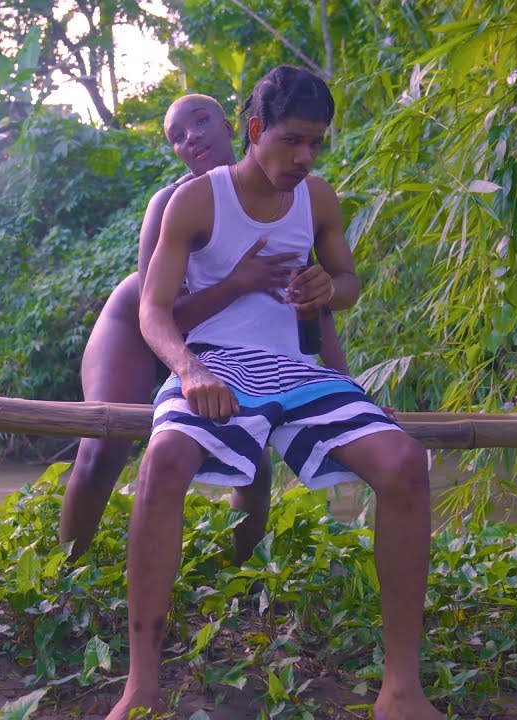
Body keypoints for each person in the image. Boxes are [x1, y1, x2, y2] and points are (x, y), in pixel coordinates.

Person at [107, 66, 443, 720]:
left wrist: (329, 289)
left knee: (405, 462)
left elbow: (349, 283)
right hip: (213, 363)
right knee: (162, 461)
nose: (306, 156)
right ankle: (141, 686)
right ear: (256, 129)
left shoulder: (318, 199)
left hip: (295, 371)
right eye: (293, 140)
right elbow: (153, 311)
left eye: (316, 142)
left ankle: (401, 690)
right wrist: (189, 371)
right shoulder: (196, 201)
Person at [59, 93, 353, 564]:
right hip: (138, 326)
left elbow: (315, 304)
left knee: (252, 462)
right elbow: (161, 315)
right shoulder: (171, 203)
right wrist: (239, 283)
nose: (191, 137)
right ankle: (66, 573)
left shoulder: (286, 194)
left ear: (237, 127)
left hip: (219, 340)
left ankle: (240, 581)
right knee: (103, 448)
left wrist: (348, 384)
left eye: (200, 122)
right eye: (177, 136)